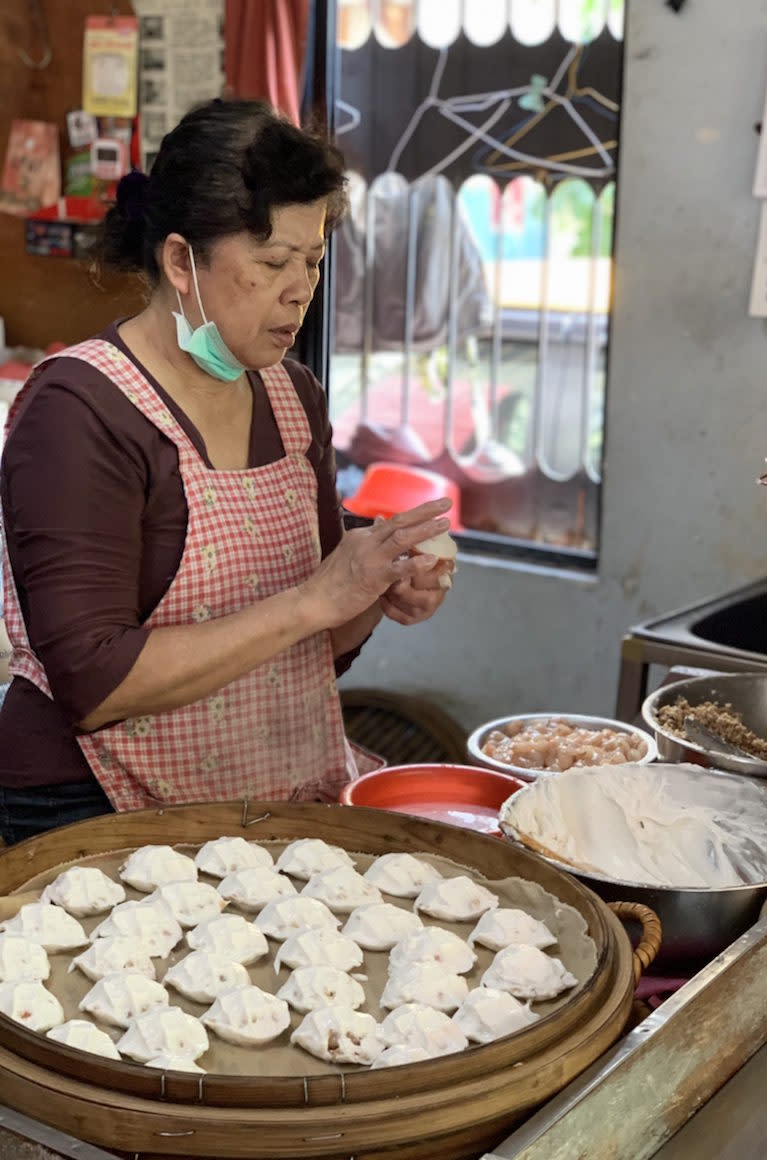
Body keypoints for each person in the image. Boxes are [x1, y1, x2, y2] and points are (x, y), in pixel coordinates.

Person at [0, 99, 455, 846]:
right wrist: (317, 597)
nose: (299, 290)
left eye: (312, 260)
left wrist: (374, 590)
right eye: (273, 262)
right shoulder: (80, 409)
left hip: (258, 787)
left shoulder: (291, 393)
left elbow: (303, 655)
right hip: (89, 805)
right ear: (181, 260)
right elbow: (95, 684)